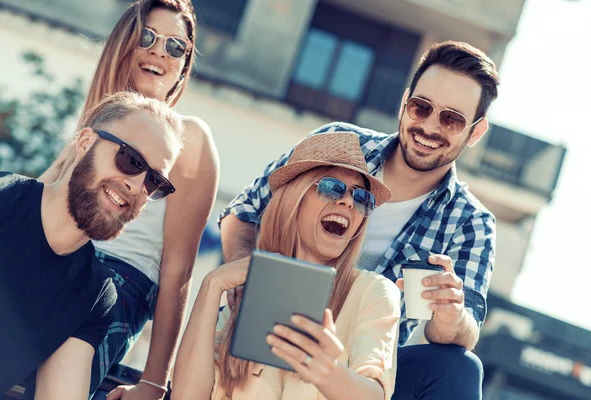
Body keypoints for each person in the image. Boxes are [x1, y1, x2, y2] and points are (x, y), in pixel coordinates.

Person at [219, 41, 499, 399]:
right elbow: (241, 215)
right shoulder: (338, 146)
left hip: (365, 373)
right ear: (404, 103)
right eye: (421, 107)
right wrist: (250, 285)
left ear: (475, 132)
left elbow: (466, 330)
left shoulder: (470, 223)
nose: (429, 127)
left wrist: (450, 317)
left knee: (459, 366)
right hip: (273, 332)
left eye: (451, 119)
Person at [39, 1, 219, 398]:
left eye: (176, 47)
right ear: (124, 43)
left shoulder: (189, 141)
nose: (159, 52)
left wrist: (154, 383)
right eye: (148, 37)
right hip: (51, 269)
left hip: (117, 286)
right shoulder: (90, 131)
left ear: (184, 64)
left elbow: (178, 270)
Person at [172, 132, 400, 399]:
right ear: (293, 198)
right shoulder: (246, 294)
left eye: (362, 199)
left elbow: (374, 395)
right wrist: (211, 286)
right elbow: (186, 396)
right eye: (331, 187)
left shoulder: (374, 292)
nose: (348, 202)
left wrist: (328, 372)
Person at [0, 91, 184, 400]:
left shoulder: (95, 298)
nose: (136, 186)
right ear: (85, 143)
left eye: (154, 182)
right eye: (131, 160)